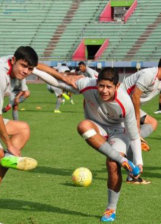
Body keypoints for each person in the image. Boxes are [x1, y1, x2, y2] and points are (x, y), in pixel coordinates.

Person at [34, 67, 143, 222]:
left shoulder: (126, 102)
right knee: (83, 126)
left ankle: (110, 209)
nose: (104, 90)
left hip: (118, 132)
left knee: (112, 164)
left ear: (117, 86)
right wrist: (34, 71)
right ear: (96, 82)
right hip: (96, 127)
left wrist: (139, 162)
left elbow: (133, 136)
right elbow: (59, 83)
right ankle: (123, 161)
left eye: (109, 87)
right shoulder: (87, 84)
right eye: (101, 86)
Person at [121, 53, 161, 153]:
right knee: (132, 135)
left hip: (129, 106)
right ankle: (133, 140)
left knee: (152, 123)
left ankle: (134, 140)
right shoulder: (148, 75)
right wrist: (137, 121)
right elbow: (135, 96)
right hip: (121, 104)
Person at [0, 46, 39, 184]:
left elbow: (42, 70)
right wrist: (9, 145)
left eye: (30, 69)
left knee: (23, 129)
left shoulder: (16, 69)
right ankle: (6, 158)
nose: (26, 71)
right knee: (1, 155)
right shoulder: (1, 74)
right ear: (14, 60)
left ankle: (7, 160)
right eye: (23, 66)